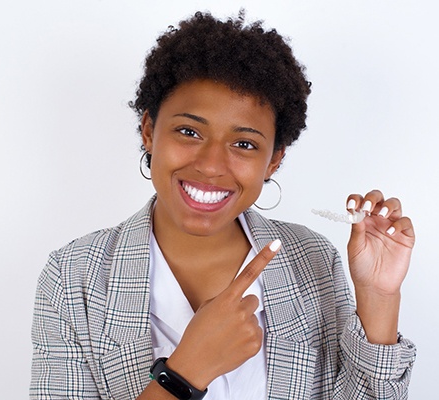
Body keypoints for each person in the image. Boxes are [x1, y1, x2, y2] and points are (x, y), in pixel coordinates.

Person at [30, 11, 416, 400]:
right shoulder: (73, 277)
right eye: (189, 131)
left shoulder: (313, 260)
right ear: (149, 131)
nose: (211, 165)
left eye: (244, 144)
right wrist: (186, 371)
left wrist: (379, 297)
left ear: (274, 160)